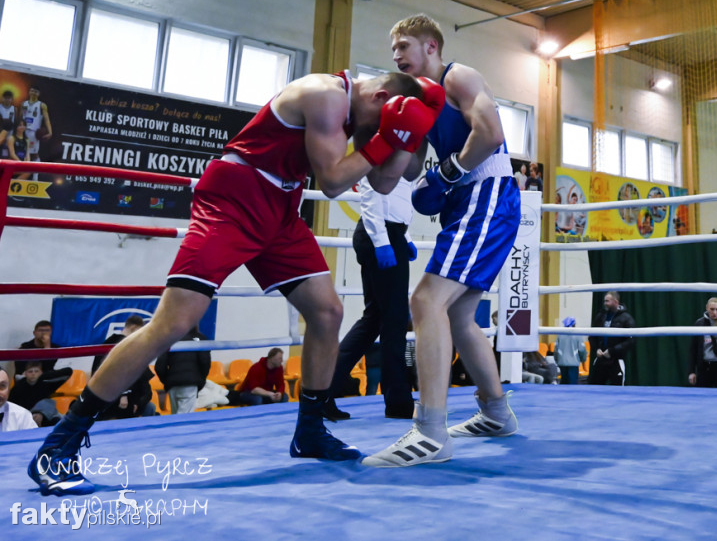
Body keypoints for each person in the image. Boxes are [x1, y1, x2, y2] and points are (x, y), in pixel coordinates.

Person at [28, 69, 443, 495]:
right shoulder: (326, 95)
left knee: (327, 312)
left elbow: (387, 178)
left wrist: (406, 136)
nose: (371, 132)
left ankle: (311, 431)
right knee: (173, 323)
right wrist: (385, 136)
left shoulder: (363, 111)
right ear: (381, 95)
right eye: (378, 123)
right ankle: (59, 444)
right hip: (234, 199)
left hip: (281, 208)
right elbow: (336, 182)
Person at [363, 14, 521, 468]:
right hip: (463, 200)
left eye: (404, 46)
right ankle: (495, 413)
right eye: (393, 49)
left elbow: (488, 135)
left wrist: (448, 170)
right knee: (457, 312)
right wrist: (384, 136)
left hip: (486, 193)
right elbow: (404, 175)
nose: (396, 56)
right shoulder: (416, 100)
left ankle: (429, 432)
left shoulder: (460, 77)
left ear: (431, 46)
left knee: (426, 301)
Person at [326, 177, 417, 422]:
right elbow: (372, 193)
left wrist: (404, 239)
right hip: (381, 233)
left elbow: (395, 200)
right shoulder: (384, 147)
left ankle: (324, 390)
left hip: (390, 233)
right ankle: (398, 401)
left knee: (375, 319)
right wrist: (382, 241)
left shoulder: (404, 156)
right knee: (394, 320)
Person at [92, 316, 155, 420]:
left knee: (149, 407)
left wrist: (138, 402)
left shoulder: (109, 343)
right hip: (114, 397)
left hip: (113, 395)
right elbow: (115, 372)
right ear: (133, 327)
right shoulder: (120, 344)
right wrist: (123, 395)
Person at [154, 327, 211, 414]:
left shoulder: (168, 339)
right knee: (183, 420)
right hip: (190, 384)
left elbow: (159, 366)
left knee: (176, 418)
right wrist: (200, 380)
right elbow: (205, 362)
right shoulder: (200, 339)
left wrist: (168, 381)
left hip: (173, 385)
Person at [588, 291, 636, 386]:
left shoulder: (626, 318)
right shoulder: (600, 316)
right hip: (601, 359)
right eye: (604, 301)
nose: (605, 303)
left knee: (617, 390)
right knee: (593, 389)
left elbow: (631, 340)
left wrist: (612, 350)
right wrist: (597, 349)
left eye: (607, 301)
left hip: (616, 360)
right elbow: (592, 336)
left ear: (615, 301)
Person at [688, 297, 717, 387]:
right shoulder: (699, 324)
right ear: (706, 308)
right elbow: (693, 349)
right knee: (702, 397)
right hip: (703, 367)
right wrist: (691, 372)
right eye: (712, 309)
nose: (715, 312)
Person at [9, 362, 65, 426]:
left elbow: (68, 371)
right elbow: (11, 403)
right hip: (27, 415)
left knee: (58, 420)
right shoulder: (19, 386)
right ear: (25, 373)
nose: (33, 374)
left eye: (36, 371)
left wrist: (42, 376)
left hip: (45, 413)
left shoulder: (45, 382)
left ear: (41, 372)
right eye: (30, 371)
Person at [20, 86, 53, 159]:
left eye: (35, 91)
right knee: (22, 152)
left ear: (39, 94)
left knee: (34, 154)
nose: (33, 93)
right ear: (29, 92)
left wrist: (50, 132)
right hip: (23, 131)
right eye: (32, 91)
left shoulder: (42, 105)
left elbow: (46, 119)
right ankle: (22, 169)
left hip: (34, 132)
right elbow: (20, 118)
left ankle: (36, 170)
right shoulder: (23, 104)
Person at [554, 317, 587, 384]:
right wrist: (583, 359)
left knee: (563, 383)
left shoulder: (560, 335)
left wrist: (557, 360)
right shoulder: (578, 335)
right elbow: (582, 350)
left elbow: (556, 350)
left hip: (562, 363)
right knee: (572, 385)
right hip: (573, 364)